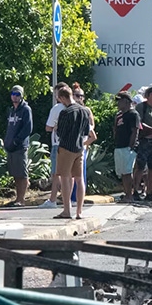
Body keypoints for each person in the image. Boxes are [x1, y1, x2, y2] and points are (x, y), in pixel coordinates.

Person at [53, 86, 93, 219]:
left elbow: (60, 132)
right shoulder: (84, 111)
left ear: (63, 97)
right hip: (79, 148)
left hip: (66, 147)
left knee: (65, 178)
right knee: (79, 179)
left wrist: (57, 127)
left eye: (60, 99)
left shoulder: (65, 112)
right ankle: (79, 212)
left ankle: (66, 210)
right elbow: (86, 131)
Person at [3, 85, 32, 207]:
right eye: (13, 94)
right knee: (15, 174)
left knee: (22, 174)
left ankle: (21, 199)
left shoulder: (26, 109)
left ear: (21, 96)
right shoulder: (11, 110)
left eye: (17, 94)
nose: (15, 97)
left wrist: (17, 141)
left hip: (20, 147)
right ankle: (17, 198)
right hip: (10, 147)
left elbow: (28, 128)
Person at [41, 83, 68, 208]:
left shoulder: (57, 108)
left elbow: (48, 127)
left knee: (56, 174)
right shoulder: (75, 107)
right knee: (68, 174)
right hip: (70, 145)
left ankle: (52, 200)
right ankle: (66, 199)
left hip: (57, 143)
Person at [112, 91, 140, 203]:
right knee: (122, 172)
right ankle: (126, 193)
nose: (118, 103)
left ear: (126, 101)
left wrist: (130, 146)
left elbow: (135, 131)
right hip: (119, 146)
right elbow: (115, 129)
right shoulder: (119, 115)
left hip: (128, 148)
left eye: (120, 100)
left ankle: (130, 195)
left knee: (128, 172)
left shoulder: (133, 114)